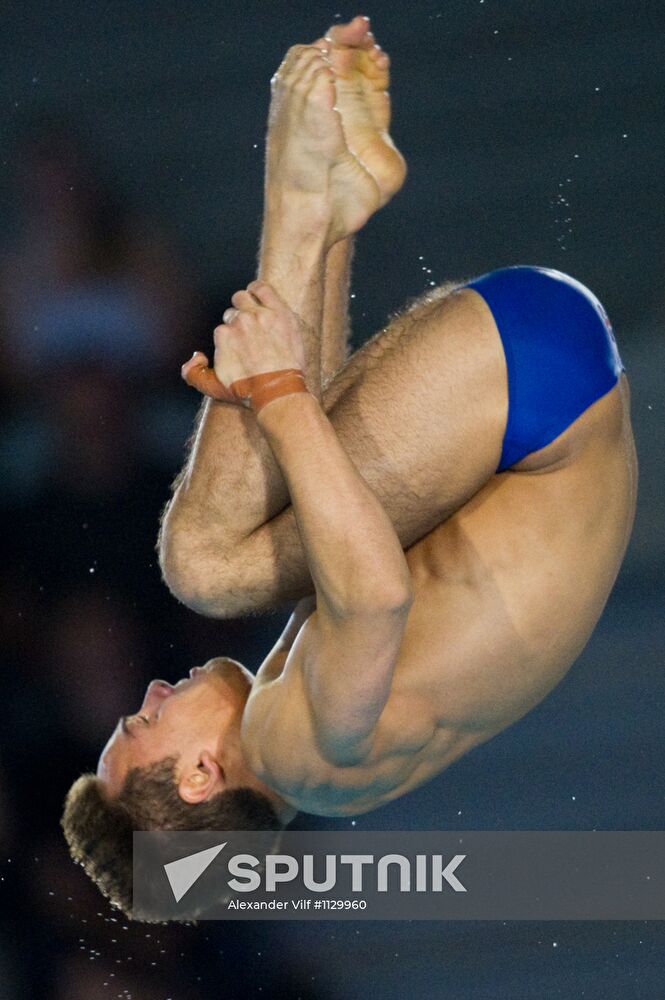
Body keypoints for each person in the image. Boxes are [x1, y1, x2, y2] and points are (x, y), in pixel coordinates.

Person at [62, 16, 637, 916]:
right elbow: (374, 594)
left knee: (259, 531)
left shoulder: (327, 755)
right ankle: (303, 199)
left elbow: (347, 526)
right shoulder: (301, 752)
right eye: (142, 725)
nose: (149, 694)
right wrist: (280, 391)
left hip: (544, 396)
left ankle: (330, 210)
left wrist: (280, 402)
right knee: (204, 567)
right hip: (538, 390)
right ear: (203, 775)